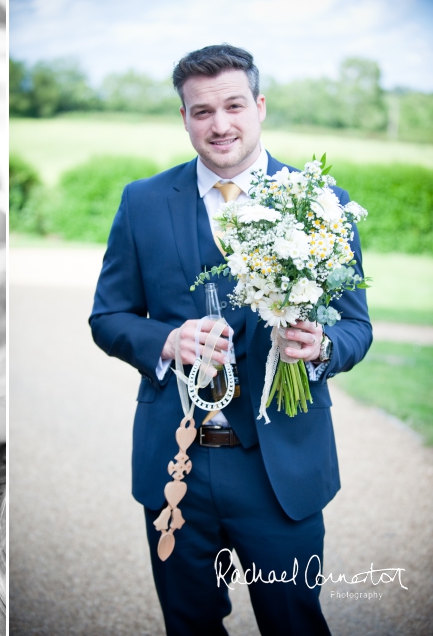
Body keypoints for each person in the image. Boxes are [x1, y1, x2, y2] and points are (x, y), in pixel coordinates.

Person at [89, 44, 371, 636]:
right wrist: (167, 341)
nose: (219, 125)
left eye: (234, 106)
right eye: (201, 111)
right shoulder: (141, 202)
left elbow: (356, 327)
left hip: (281, 472)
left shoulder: (324, 203)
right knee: (189, 627)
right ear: (184, 117)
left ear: (260, 106)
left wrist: (322, 347)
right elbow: (108, 317)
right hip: (176, 466)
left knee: (294, 624)